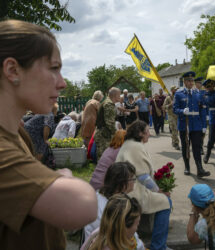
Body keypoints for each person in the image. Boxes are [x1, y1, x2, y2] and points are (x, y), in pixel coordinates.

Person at [0, 19, 97, 250]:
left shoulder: (19, 134)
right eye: (54, 68)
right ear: (13, 70)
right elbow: (81, 205)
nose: (62, 83)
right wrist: (64, 176)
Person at [115, 120, 172, 250]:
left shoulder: (130, 144)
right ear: (140, 133)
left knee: (163, 199)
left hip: (128, 188)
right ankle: (159, 246)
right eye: (147, 131)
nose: (149, 134)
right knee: (166, 202)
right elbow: (143, 177)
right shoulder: (135, 146)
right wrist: (159, 192)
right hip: (133, 191)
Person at [84, 161, 137, 239]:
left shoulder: (100, 195)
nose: (134, 182)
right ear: (122, 184)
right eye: (132, 179)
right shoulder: (112, 208)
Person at [173, 71, 211, 178]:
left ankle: (200, 169)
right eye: (188, 81)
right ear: (184, 82)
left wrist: (204, 125)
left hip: (196, 125)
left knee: (196, 147)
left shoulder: (198, 93)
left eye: (192, 81)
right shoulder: (179, 94)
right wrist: (182, 111)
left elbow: (202, 110)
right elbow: (174, 109)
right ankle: (187, 167)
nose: (191, 83)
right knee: (185, 147)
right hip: (185, 125)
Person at [94, 87, 120, 160]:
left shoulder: (107, 102)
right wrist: (118, 135)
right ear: (115, 95)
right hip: (103, 136)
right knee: (104, 159)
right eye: (119, 95)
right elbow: (110, 123)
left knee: (104, 159)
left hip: (103, 134)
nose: (120, 97)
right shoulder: (109, 104)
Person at [163, 85, 180, 150]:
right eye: (175, 89)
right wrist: (170, 104)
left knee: (176, 130)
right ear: (172, 90)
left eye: (177, 89)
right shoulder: (168, 98)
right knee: (174, 129)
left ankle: (173, 141)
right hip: (171, 116)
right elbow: (164, 106)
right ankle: (176, 143)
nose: (176, 90)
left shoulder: (178, 97)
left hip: (177, 116)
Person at [194, 76, 207, 155]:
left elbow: (207, 103)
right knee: (198, 132)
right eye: (198, 83)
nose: (200, 84)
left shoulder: (204, 92)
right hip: (196, 115)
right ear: (195, 84)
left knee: (203, 131)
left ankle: (200, 145)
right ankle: (199, 147)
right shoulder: (193, 92)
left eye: (201, 83)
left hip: (203, 114)